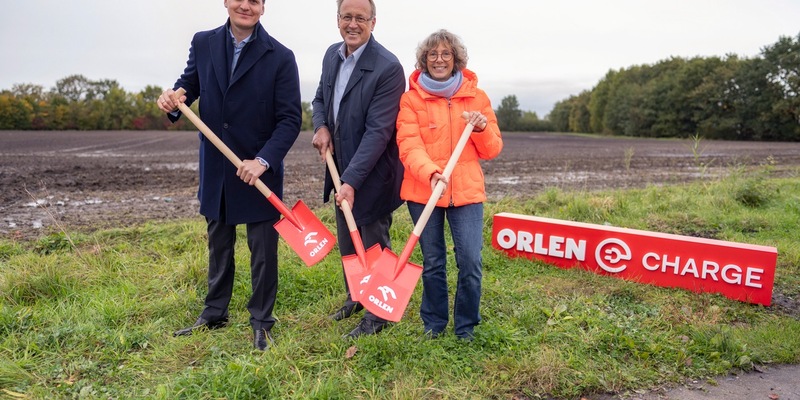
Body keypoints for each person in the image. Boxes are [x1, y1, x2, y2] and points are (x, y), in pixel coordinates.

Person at [156, 0, 301, 351]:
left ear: (263, 8)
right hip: (218, 167)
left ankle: (262, 321)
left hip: (258, 171)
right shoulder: (203, 42)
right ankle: (214, 313)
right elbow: (188, 86)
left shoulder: (280, 56)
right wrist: (173, 99)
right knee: (219, 245)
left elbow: (290, 120)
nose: (245, 6)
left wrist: (263, 160)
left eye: (254, 1)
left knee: (262, 252)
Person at [395, 29, 503, 341]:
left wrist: (481, 128)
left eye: (446, 54)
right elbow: (408, 144)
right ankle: (434, 323)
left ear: (455, 59)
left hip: (466, 193)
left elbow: (492, 149)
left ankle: (466, 326)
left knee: (470, 260)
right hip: (423, 191)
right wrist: (430, 173)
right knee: (433, 261)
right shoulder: (411, 100)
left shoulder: (476, 98)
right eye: (433, 54)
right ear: (424, 60)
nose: (439, 59)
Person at [311, 0, 406, 338]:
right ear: (338, 20)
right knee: (347, 241)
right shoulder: (331, 55)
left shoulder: (388, 68)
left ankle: (378, 314)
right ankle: (357, 295)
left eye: (360, 18)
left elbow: (379, 131)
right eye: (346, 17)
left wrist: (351, 180)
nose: (353, 24)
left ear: (373, 22)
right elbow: (320, 99)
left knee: (372, 241)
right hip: (339, 167)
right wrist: (321, 126)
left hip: (374, 172)